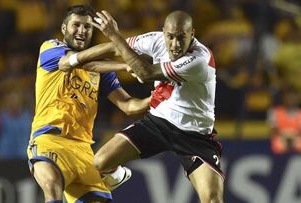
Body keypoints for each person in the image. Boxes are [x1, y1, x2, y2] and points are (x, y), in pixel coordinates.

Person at [89, 10, 224, 203]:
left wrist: (114, 34)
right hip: (159, 122)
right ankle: (118, 176)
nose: (175, 44)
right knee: (100, 162)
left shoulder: (200, 59)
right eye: (170, 37)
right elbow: (116, 48)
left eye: (181, 38)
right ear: (163, 32)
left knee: (213, 200)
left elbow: (145, 73)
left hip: (195, 135)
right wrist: (74, 59)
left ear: (192, 34)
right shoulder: (156, 40)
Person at [26, 5, 150, 203]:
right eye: (76, 25)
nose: (82, 31)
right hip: (50, 140)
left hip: (84, 151)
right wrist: (124, 47)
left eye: (88, 27)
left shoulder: (103, 71)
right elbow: (75, 62)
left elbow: (129, 106)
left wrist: (156, 98)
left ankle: (111, 171)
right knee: (51, 184)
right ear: (64, 28)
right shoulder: (49, 48)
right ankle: (113, 173)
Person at [268, 85, 301, 154]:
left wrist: (292, 137)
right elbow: (273, 131)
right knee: (278, 142)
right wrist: (285, 136)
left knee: (299, 142)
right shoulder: (274, 112)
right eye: (289, 97)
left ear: (297, 99)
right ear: (284, 98)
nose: (291, 100)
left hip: (298, 148)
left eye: (293, 98)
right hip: (279, 147)